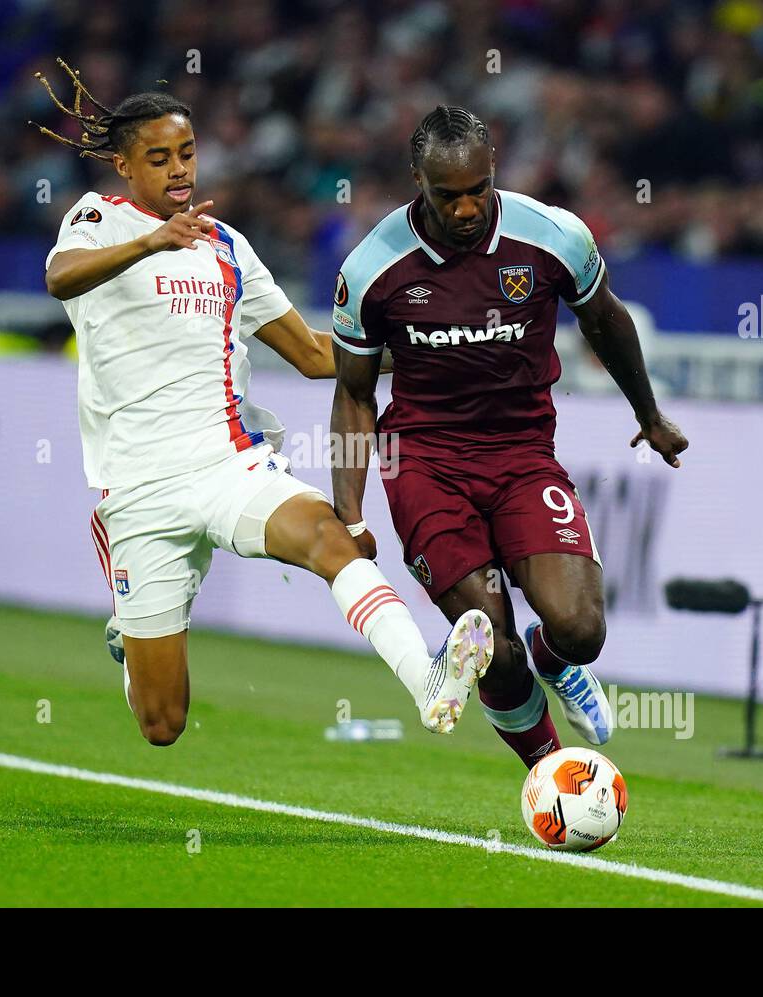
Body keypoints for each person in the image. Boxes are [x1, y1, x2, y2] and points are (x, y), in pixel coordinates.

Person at [35, 66, 493, 746]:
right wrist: (149, 242)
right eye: (158, 158)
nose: (178, 169)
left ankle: (428, 679)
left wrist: (430, 346)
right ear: (124, 164)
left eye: (186, 153)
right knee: (163, 723)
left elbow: (312, 354)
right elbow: (57, 276)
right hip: (139, 487)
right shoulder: (99, 221)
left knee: (329, 537)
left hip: (230, 466)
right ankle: (131, 643)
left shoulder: (226, 246)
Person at [330, 106, 688, 766]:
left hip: (523, 456)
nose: (466, 210)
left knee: (580, 628)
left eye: (477, 191)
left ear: (493, 172)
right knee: (489, 646)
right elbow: (354, 391)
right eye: (447, 195)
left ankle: (560, 662)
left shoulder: (552, 236)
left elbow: (604, 321)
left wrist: (648, 413)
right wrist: (348, 516)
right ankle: (553, 774)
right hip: (426, 463)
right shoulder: (374, 268)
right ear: (417, 180)